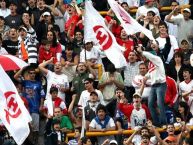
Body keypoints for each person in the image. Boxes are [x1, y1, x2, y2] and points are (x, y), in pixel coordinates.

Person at [136, 45, 167, 127]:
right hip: (154, 86)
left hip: (161, 84)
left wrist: (142, 51)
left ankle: (164, 123)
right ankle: (157, 123)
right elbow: (151, 72)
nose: (145, 57)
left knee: (160, 104)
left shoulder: (157, 59)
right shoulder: (150, 64)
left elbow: (150, 56)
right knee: (150, 104)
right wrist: (146, 76)